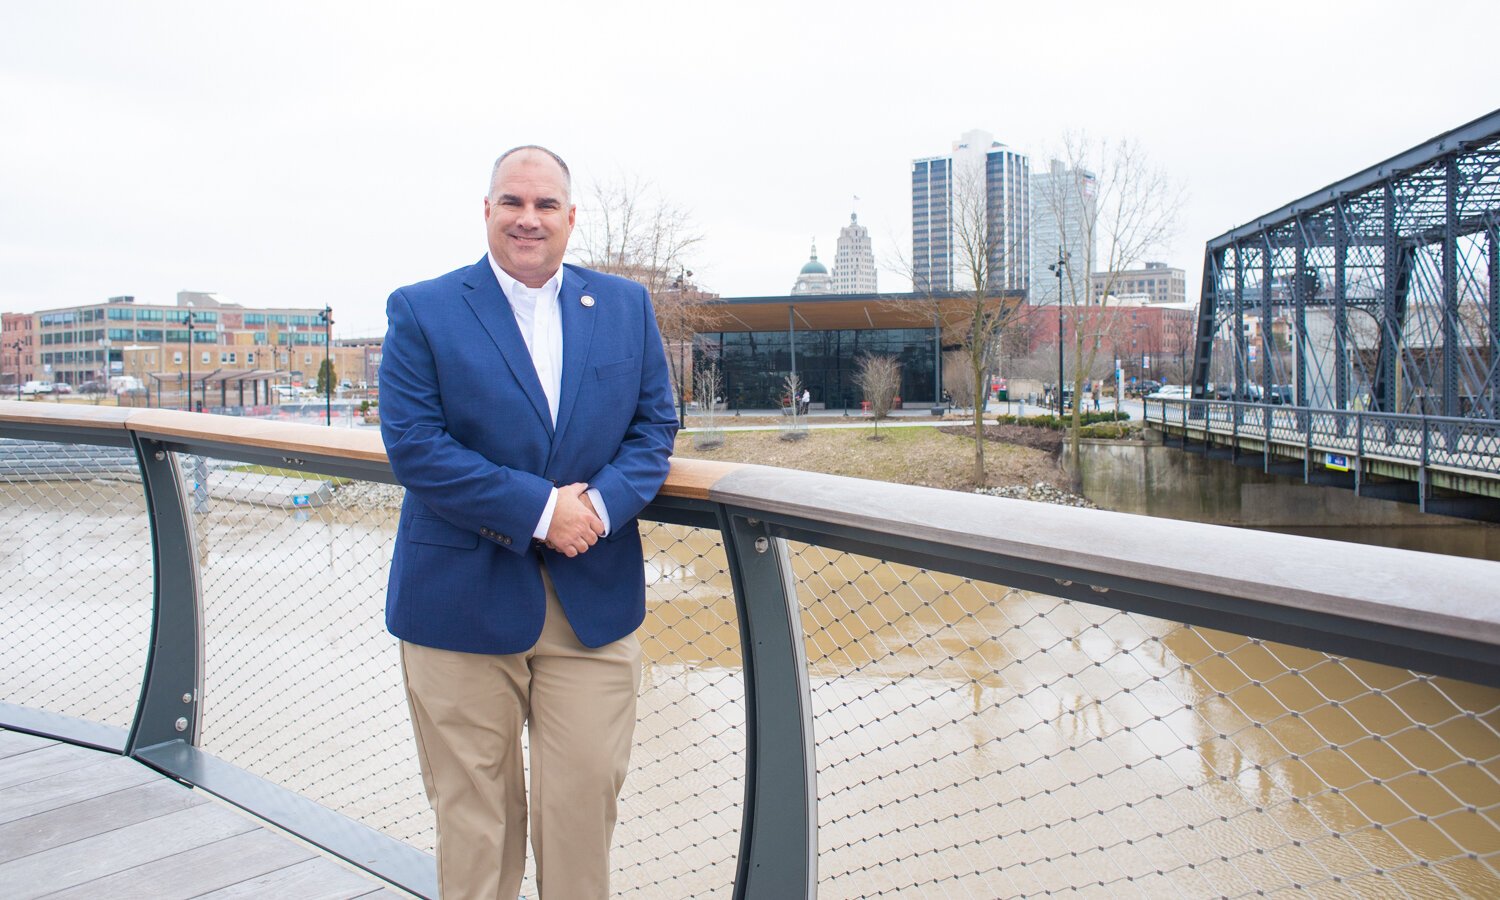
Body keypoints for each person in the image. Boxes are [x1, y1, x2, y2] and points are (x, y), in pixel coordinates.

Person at [379, 145, 678, 899]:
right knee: (476, 828)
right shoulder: (422, 309)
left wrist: (596, 511)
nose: (528, 218)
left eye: (546, 205)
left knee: (581, 818)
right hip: (459, 603)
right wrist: (543, 511)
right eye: (512, 201)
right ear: (486, 211)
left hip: (592, 604)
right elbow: (415, 447)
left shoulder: (624, 307)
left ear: (571, 219)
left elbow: (654, 430)